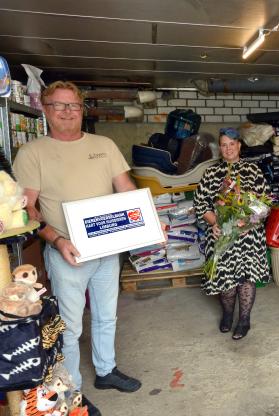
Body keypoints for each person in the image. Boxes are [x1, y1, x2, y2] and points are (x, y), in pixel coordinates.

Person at [14, 81, 142, 416]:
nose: (68, 112)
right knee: (70, 329)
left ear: (82, 109)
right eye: (60, 105)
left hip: (108, 249)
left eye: (74, 105)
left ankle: (106, 371)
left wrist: (145, 224)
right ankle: (74, 395)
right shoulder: (32, 153)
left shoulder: (104, 144)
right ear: (45, 109)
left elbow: (126, 188)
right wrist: (58, 240)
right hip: (67, 252)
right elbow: (29, 210)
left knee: (106, 316)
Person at [193, 127, 270, 340]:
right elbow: (200, 204)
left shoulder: (253, 171)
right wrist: (216, 222)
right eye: (224, 145)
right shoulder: (210, 173)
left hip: (248, 237)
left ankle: (244, 320)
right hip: (221, 236)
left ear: (239, 145)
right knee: (225, 280)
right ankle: (227, 314)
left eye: (232, 144)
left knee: (246, 278)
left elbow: (263, 207)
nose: (228, 148)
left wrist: (246, 223)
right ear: (220, 148)